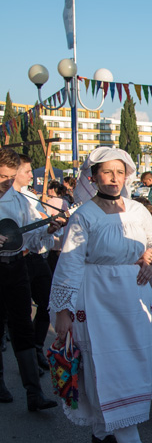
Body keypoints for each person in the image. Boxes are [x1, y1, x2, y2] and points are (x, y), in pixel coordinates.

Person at [50, 147, 152, 443]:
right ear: (94, 177)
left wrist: (150, 258)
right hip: (97, 294)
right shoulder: (83, 216)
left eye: (120, 172)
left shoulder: (138, 210)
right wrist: (63, 310)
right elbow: (70, 263)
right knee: (107, 363)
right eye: (107, 172)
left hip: (133, 293)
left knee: (136, 359)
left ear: (128, 175)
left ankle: (104, 432)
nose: (115, 178)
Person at [0, 148, 63, 410]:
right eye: (1, 175)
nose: (5, 183)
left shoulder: (22, 200)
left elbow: (33, 238)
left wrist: (48, 229)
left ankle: (34, 393)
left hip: (17, 266)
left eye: (9, 177)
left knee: (22, 325)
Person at [12, 156, 55, 370]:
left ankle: (38, 346)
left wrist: (50, 228)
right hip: (14, 260)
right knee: (19, 313)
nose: (31, 175)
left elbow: (39, 227)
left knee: (48, 302)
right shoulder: (7, 198)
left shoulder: (30, 197)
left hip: (36, 257)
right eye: (27, 171)